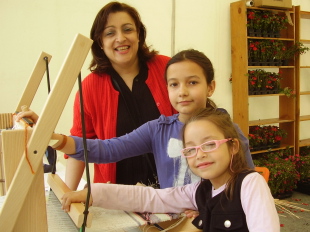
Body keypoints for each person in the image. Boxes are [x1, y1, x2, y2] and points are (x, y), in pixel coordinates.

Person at [18, 49, 254, 191]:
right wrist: (52, 136)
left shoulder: (229, 131)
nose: (182, 91)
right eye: (174, 84)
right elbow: (107, 149)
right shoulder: (158, 130)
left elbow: (248, 182)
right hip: (172, 221)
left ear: (210, 87)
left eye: (192, 82)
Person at [61, 108, 280, 232]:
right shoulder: (199, 191)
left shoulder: (250, 184)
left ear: (232, 146)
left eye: (209, 144)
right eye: (191, 149)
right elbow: (151, 197)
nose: (200, 154)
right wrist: (92, 194)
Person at [64, 1, 176, 189]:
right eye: (110, 33)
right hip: (117, 199)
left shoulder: (167, 68)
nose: (120, 38)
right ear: (100, 42)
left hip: (172, 192)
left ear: (139, 35)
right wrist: (67, 194)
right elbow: (80, 144)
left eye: (127, 30)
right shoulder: (90, 87)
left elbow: (194, 120)